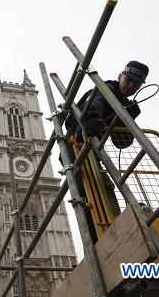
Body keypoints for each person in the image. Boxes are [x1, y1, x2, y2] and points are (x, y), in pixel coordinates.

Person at [61, 61, 149, 242]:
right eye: (129, 79)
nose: (131, 85)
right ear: (120, 76)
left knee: (103, 187)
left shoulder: (124, 103)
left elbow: (121, 143)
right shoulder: (104, 88)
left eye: (136, 83)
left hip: (93, 150)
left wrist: (128, 118)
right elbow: (95, 103)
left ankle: (111, 232)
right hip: (75, 143)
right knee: (87, 194)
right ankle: (97, 241)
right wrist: (93, 118)